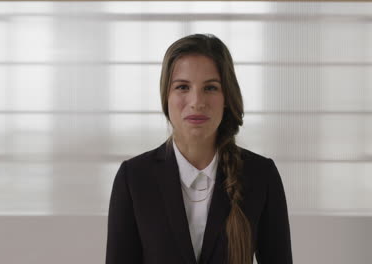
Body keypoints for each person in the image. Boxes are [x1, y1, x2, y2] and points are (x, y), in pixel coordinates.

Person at [105, 33, 292, 264]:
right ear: (166, 96)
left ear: (227, 97)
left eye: (210, 88)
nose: (196, 101)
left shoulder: (261, 175)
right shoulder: (133, 178)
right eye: (183, 87)